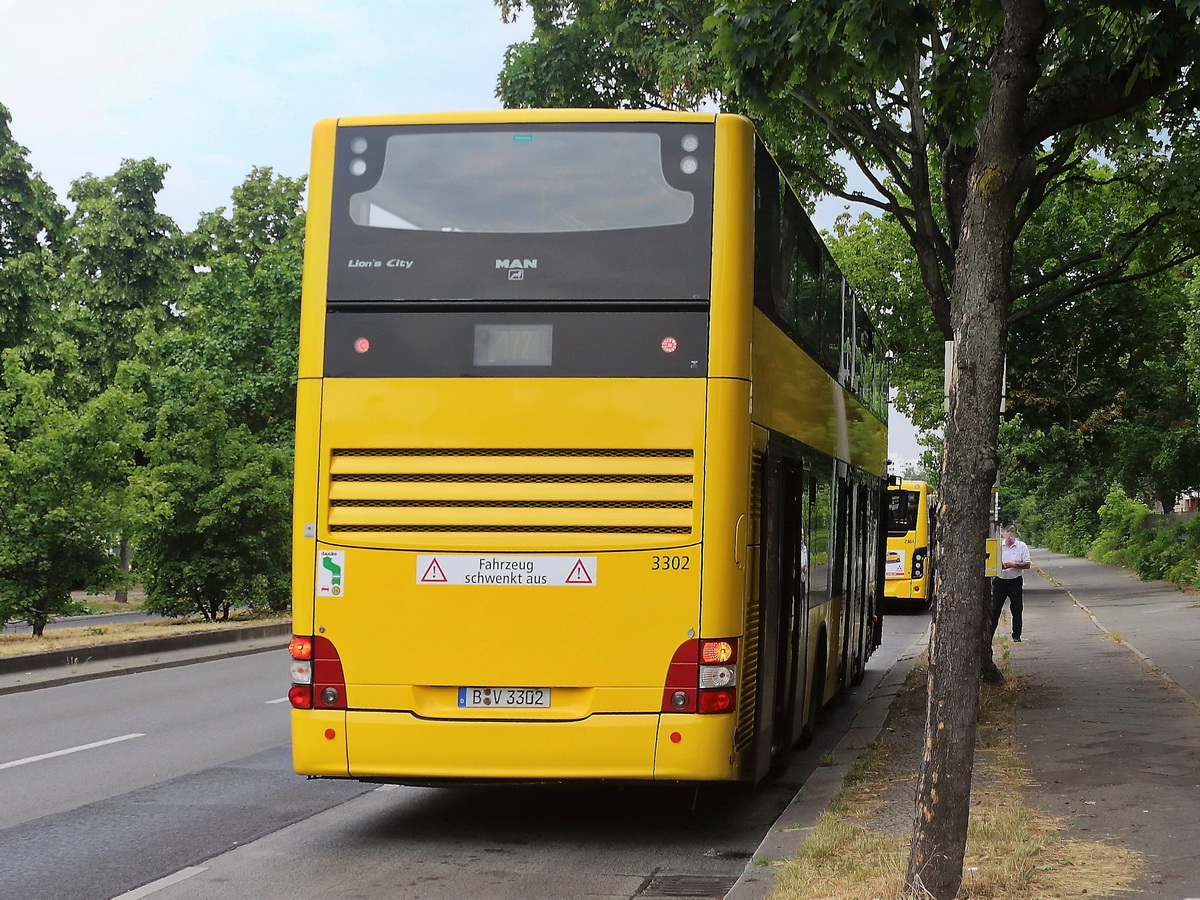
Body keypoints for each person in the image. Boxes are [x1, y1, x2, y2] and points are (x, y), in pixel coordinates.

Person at [991, 523, 1031, 642]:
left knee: (1017, 609)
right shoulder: (998, 546)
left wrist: (1013, 565)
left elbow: (1027, 564)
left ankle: (1016, 635)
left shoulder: (1021, 546)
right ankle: (990, 634)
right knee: (995, 609)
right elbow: (991, 561)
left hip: (1015, 581)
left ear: (1015, 535)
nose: (1009, 537)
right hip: (1000, 581)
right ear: (1004, 534)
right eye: (1007, 534)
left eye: (1012, 534)